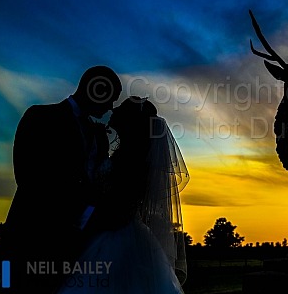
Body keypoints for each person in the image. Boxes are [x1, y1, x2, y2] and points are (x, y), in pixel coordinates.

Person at [2, 65, 122, 293]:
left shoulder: (98, 134)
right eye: (109, 98)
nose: (110, 107)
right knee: (13, 288)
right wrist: (83, 213)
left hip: (72, 245)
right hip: (28, 235)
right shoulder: (40, 116)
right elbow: (27, 177)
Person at [55, 96, 190, 294]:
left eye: (121, 108)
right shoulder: (123, 155)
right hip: (115, 232)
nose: (114, 109)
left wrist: (87, 223)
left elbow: (119, 206)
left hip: (116, 237)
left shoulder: (133, 162)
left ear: (130, 122)